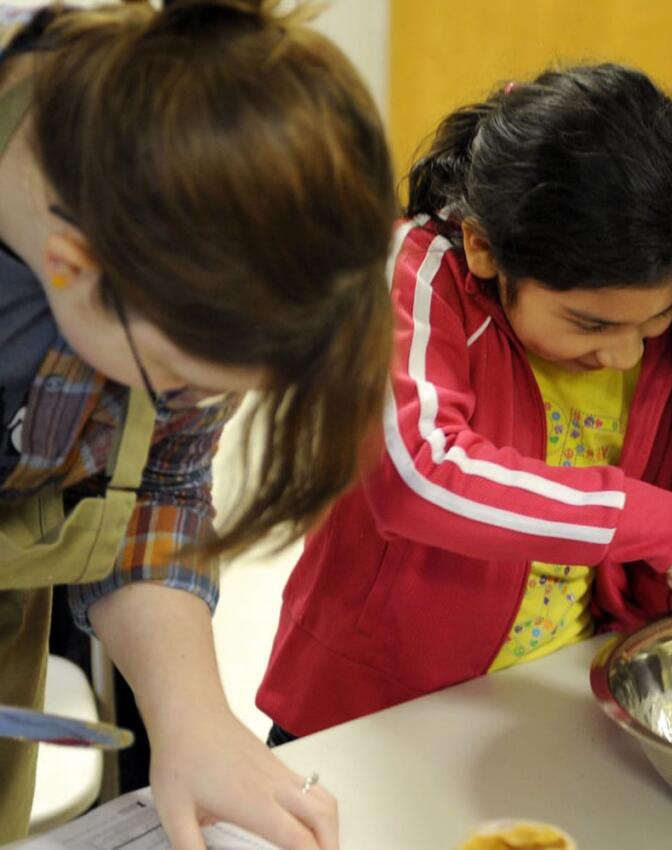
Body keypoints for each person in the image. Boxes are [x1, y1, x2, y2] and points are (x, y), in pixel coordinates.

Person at [257, 64, 672, 742]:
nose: (625, 353)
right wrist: (660, 523)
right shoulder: (416, 274)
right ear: (485, 246)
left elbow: (648, 531)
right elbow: (416, 474)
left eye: (653, 322)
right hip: (367, 718)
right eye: (591, 325)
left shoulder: (647, 327)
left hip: (535, 706)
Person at [0, 2, 396, 847]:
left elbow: (155, 479)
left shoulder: (176, 248)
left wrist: (192, 717)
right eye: (177, 377)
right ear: (70, 269)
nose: (188, 406)